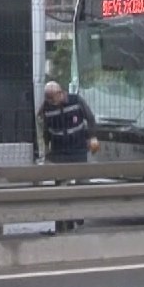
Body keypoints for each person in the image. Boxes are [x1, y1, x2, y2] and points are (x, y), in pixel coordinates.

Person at [38, 81, 100, 232]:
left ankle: (78, 214)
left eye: (52, 98)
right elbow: (45, 130)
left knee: (82, 185)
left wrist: (92, 137)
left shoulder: (76, 101)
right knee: (61, 190)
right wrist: (46, 151)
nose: (51, 102)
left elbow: (90, 118)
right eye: (48, 99)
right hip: (59, 153)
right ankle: (62, 224)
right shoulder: (46, 108)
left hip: (78, 149)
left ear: (61, 93)